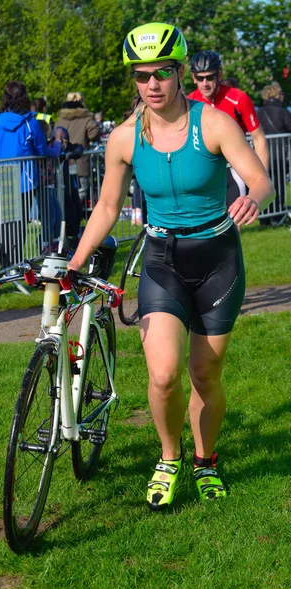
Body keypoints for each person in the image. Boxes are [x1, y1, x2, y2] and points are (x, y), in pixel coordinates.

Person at [68, 22, 275, 509]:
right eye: (142, 76)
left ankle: (205, 460)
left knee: (205, 374)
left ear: (180, 73)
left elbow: (259, 180)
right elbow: (106, 206)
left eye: (162, 73)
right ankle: (169, 457)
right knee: (162, 374)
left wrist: (253, 199)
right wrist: (76, 262)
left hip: (219, 260)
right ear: (134, 81)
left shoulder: (214, 123)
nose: (153, 85)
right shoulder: (122, 139)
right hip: (161, 259)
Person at [0, 80, 63, 266]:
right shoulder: (31, 124)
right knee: (18, 226)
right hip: (23, 182)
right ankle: (12, 264)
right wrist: (58, 146)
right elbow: (43, 150)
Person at [188, 51, 269, 208]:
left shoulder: (238, 98)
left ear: (219, 76)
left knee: (234, 224)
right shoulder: (189, 102)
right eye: (200, 78)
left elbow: (259, 138)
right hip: (204, 173)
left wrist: (262, 182)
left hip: (234, 170)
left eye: (210, 77)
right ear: (193, 78)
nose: (205, 83)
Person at [56, 92, 100, 203]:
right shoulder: (86, 120)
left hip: (62, 163)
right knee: (81, 190)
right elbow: (94, 134)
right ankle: (74, 215)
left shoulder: (60, 120)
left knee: (65, 190)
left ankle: (68, 216)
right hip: (80, 162)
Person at [257, 81, 291, 225]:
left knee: (263, 184)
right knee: (278, 185)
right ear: (278, 95)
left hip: (261, 154)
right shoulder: (283, 112)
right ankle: (277, 216)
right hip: (279, 154)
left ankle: (264, 217)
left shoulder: (259, 112)